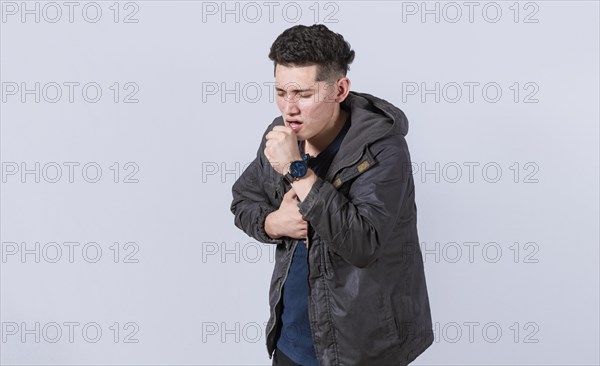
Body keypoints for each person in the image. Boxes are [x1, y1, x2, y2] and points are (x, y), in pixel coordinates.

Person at [230, 24, 433, 365]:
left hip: (363, 349)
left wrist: (296, 168)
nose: (289, 108)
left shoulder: (383, 149)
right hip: (291, 341)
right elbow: (242, 201)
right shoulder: (280, 135)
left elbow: (362, 244)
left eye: (304, 95)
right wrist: (272, 223)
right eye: (281, 91)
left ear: (339, 89)